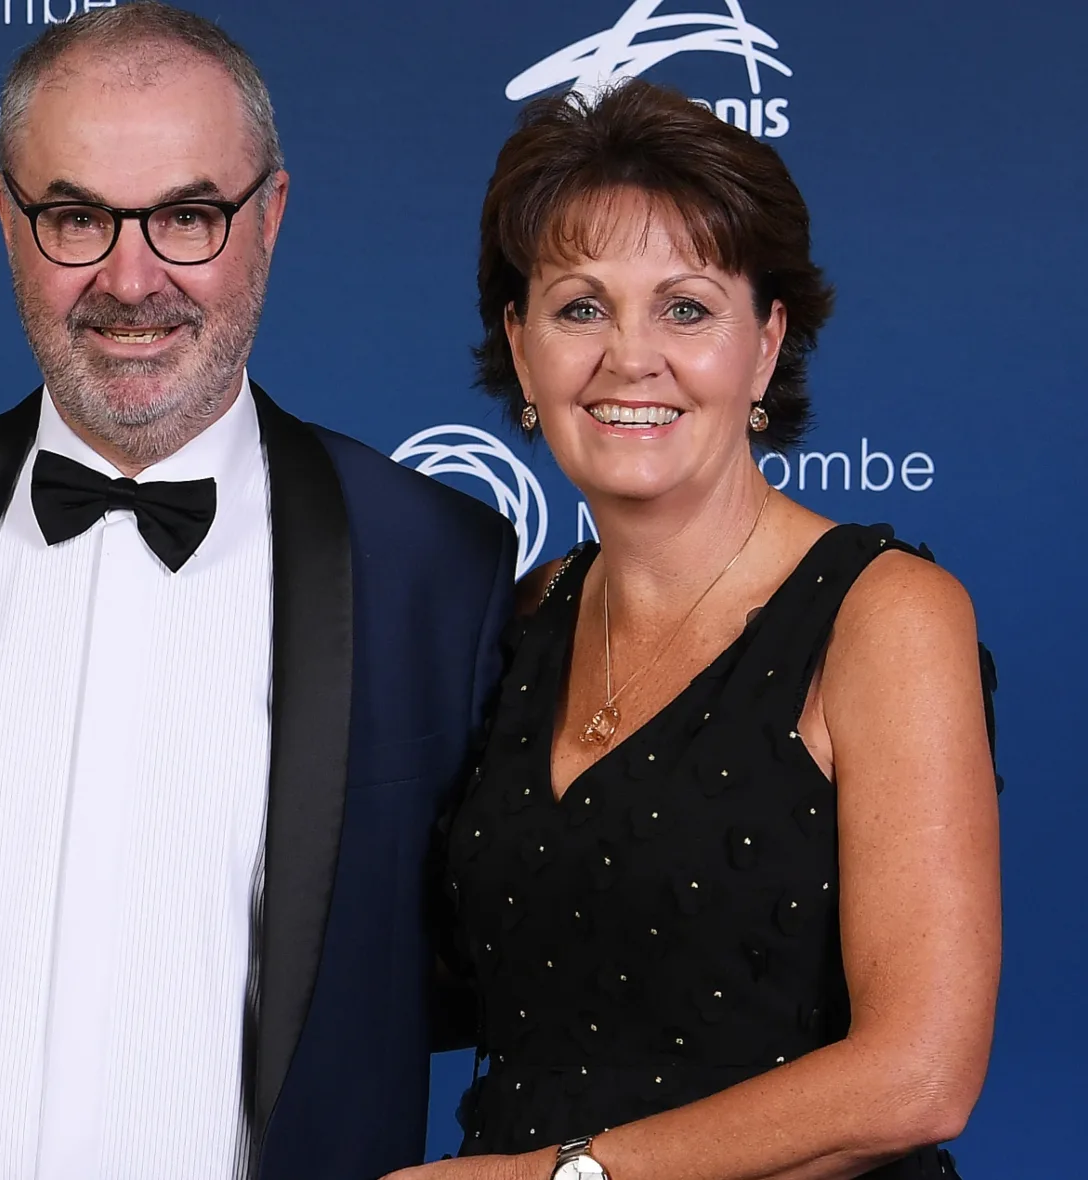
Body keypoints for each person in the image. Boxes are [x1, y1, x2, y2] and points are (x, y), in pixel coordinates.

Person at [0, 5, 516, 1179]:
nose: (131, 277)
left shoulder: (435, 563)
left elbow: (474, 965)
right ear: (7, 220)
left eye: (189, 216)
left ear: (270, 216)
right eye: (75, 217)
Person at [394, 81, 1000, 1180]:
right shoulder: (522, 619)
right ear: (521, 350)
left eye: (686, 307)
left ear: (765, 344)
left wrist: (559, 1179)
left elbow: (922, 1074)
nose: (632, 358)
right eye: (581, 307)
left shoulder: (886, 614)